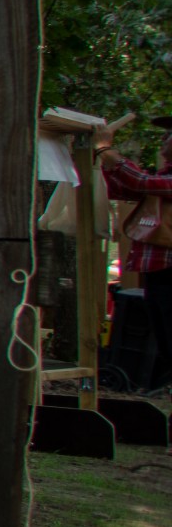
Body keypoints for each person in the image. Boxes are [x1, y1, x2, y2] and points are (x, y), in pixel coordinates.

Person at [101, 117, 172, 393]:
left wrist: (106, 150)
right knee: (166, 342)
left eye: (169, 134)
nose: (164, 138)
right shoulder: (163, 176)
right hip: (159, 273)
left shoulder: (163, 181)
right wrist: (104, 159)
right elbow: (124, 187)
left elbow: (139, 182)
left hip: (168, 272)